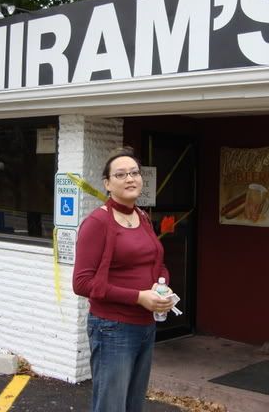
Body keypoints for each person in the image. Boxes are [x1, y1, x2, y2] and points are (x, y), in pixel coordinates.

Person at [72, 147, 174, 412]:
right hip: (112, 327)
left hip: (145, 325)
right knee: (111, 405)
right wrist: (139, 297)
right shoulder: (97, 223)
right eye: (121, 174)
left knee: (133, 404)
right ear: (107, 184)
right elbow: (82, 283)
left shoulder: (142, 217)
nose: (130, 179)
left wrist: (161, 285)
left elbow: (158, 263)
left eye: (134, 173)